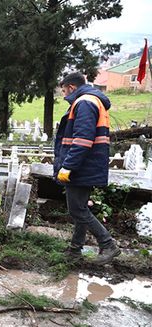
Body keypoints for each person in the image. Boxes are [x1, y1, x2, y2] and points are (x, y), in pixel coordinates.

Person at [54, 72, 119, 265]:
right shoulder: (91, 100)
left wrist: (68, 166)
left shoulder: (84, 103)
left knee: (77, 210)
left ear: (71, 87)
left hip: (82, 166)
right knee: (79, 208)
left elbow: (82, 140)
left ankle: (108, 244)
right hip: (88, 165)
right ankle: (75, 250)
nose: (64, 95)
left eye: (64, 91)